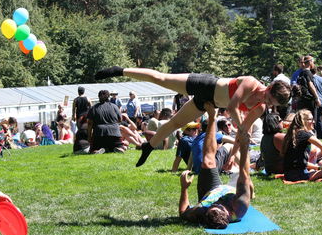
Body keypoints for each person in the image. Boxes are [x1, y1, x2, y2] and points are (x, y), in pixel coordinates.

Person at [95, 66, 291, 167]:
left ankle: (149, 145)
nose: (267, 102)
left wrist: (234, 154)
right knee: (160, 78)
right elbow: (232, 107)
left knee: (175, 123)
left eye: (271, 104)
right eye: (268, 97)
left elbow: (244, 132)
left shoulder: (260, 108)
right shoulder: (251, 82)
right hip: (205, 85)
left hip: (210, 102)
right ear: (270, 87)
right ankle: (118, 71)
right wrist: (241, 129)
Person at [178, 102, 252, 229]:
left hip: (209, 191)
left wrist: (184, 188)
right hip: (232, 192)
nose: (216, 202)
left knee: (207, 161)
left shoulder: (202, 211)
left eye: (212, 205)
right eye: (217, 204)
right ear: (227, 212)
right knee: (246, 182)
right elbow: (244, 173)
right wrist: (244, 145)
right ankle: (214, 116)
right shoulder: (239, 207)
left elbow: (183, 212)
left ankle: (212, 116)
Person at [282, 109, 322, 181]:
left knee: (317, 171)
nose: (313, 121)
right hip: (298, 175)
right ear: (303, 121)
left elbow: (299, 162)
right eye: (310, 119)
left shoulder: (292, 134)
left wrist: (318, 168)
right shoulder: (304, 134)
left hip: (289, 174)